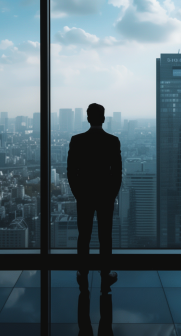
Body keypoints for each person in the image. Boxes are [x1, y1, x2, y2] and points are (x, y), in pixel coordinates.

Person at [67, 103, 122, 293]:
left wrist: (78, 194)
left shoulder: (77, 140)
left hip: (85, 196)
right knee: (105, 236)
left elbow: (71, 172)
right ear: (103, 119)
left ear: (88, 119)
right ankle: (105, 273)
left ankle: (83, 272)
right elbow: (117, 173)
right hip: (106, 196)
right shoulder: (113, 141)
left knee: (84, 236)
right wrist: (111, 195)